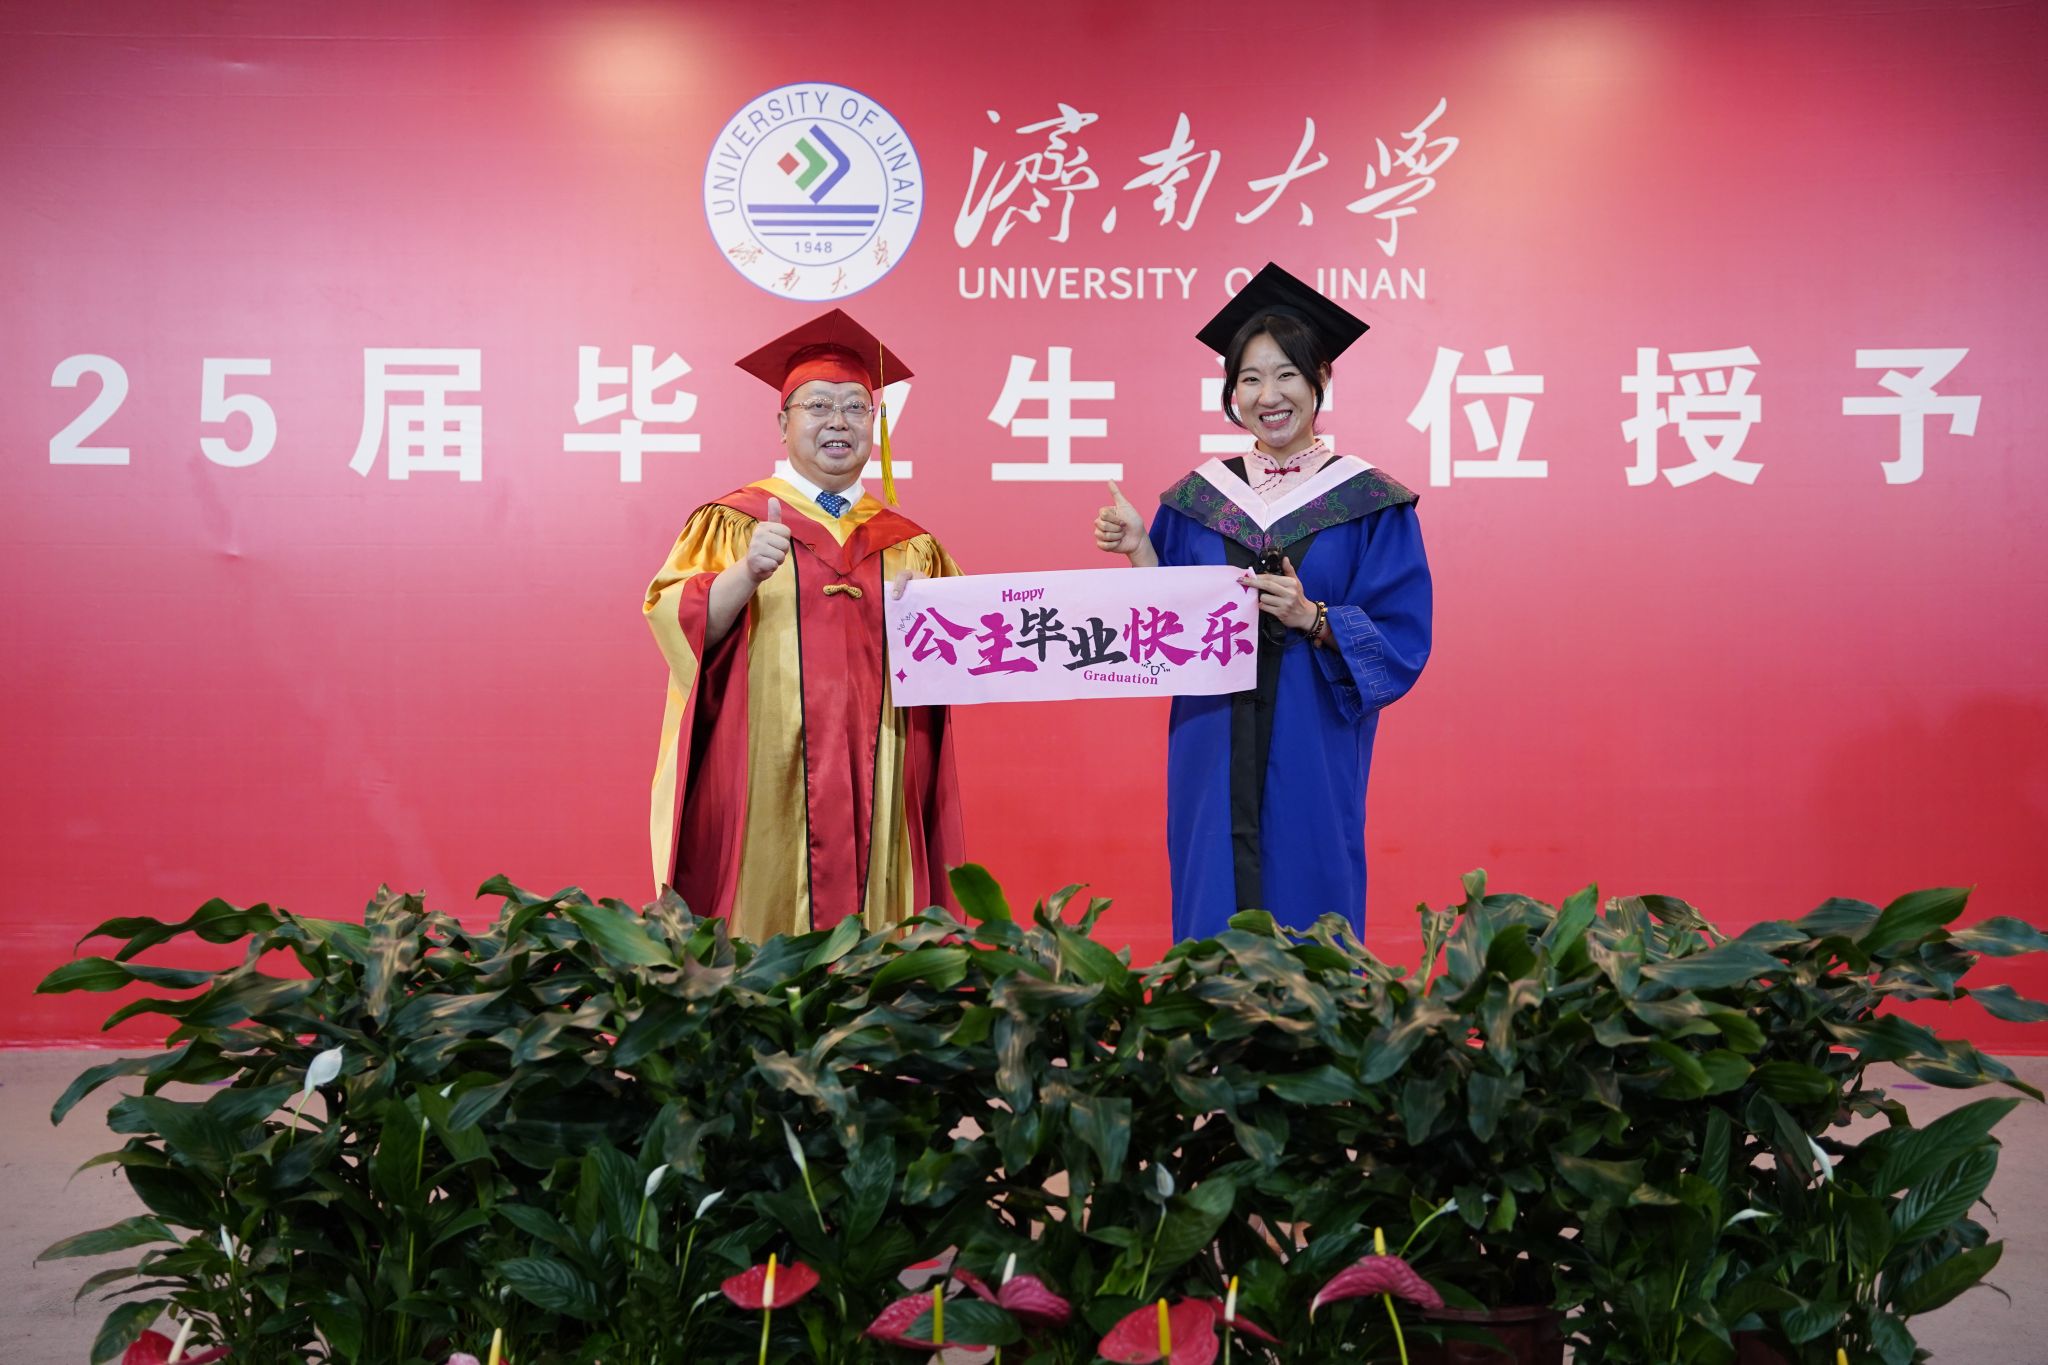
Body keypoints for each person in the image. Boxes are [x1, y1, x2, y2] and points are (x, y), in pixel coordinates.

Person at [1093, 264, 1432, 939]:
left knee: (1311, 885)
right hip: (1211, 737)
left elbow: (1402, 636)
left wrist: (1314, 617)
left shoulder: (1370, 502)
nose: (1268, 395)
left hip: (1313, 734)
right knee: (1211, 891)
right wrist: (1140, 549)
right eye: (1249, 379)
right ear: (1231, 392)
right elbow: (1166, 619)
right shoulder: (1199, 499)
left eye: (1286, 375)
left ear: (1320, 379)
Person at [644, 309, 963, 939]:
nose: (838, 421)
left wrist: (931, 613)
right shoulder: (733, 521)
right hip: (766, 764)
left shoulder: (912, 544)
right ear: (783, 422)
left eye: (855, 407)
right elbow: (676, 621)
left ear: (874, 425)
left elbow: (964, 654)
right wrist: (744, 574)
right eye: (818, 406)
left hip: (882, 768)